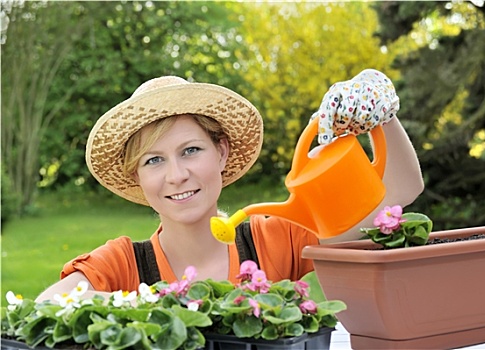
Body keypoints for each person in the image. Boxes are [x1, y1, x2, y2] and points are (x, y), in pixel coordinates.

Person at [36, 70, 424, 302]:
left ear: (221, 153)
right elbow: (46, 306)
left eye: (190, 150)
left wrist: (380, 114)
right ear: (138, 177)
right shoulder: (123, 263)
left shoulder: (274, 238)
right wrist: (153, 304)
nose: (176, 175)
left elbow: (399, 193)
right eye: (154, 160)